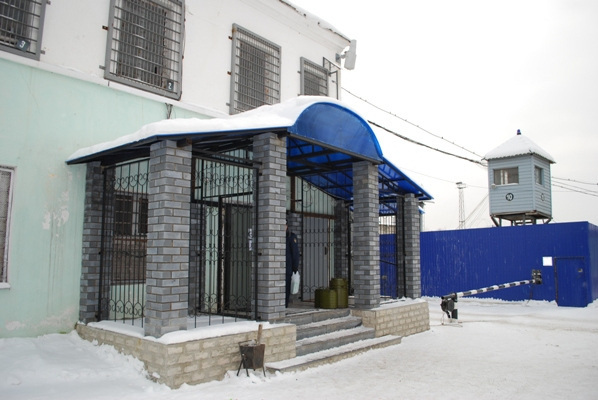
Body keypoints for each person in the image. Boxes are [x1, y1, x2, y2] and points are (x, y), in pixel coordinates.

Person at [285, 223, 300, 308]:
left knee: (286, 288)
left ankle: (285, 305)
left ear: (287, 226)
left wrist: (295, 266)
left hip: (288, 267)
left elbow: (295, 253)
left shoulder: (291, 236)